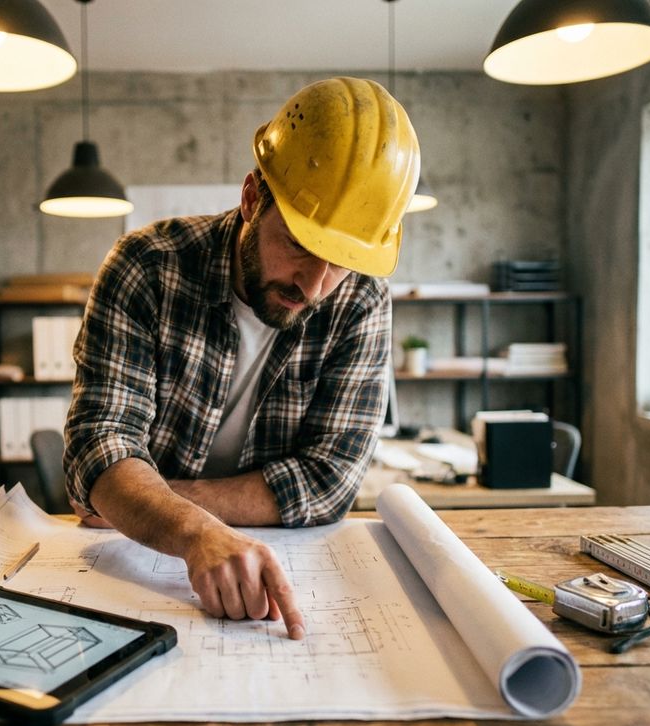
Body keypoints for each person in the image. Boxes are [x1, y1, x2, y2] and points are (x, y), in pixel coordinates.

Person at [63, 77, 420, 641]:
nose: (316, 287)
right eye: (302, 246)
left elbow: (329, 481)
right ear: (252, 198)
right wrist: (192, 532)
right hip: (138, 567)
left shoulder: (361, 299)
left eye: (342, 261)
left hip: (255, 560)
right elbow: (100, 446)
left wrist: (164, 504)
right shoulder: (147, 266)